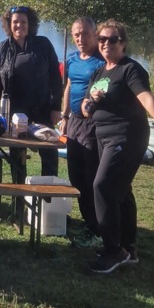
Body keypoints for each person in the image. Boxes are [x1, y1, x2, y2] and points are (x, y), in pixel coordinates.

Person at [82, 19, 154, 274]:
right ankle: (128, 247)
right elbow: (85, 109)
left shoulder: (131, 70)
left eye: (112, 39)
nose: (106, 44)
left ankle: (113, 250)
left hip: (126, 136)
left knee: (102, 186)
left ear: (123, 43)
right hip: (103, 137)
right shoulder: (99, 71)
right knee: (122, 189)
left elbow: (146, 98)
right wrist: (90, 102)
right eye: (102, 39)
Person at [0, 6, 63, 183]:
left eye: (23, 22)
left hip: (42, 110)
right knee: (17, 160)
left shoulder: (43, 44)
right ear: (9, 24)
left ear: (30, 24)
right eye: (15, 22)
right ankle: (19, 205)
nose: (19, 25)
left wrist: (55, 107)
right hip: (15, 114)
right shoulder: (2, 48)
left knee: (49, 157)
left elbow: (55, 77)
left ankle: (48, 203)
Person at [61, 17, 105, 240]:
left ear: (94, 33)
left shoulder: (101, 62)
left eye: (85, 34)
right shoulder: (71, 60)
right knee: (75, 176)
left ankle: (98, 227)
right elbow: (68, 87)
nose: (80, 38)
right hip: (74, 123)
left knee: (91, 176)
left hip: (92, 124)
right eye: (76, 34)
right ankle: (89, 222)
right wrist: (64, 115)